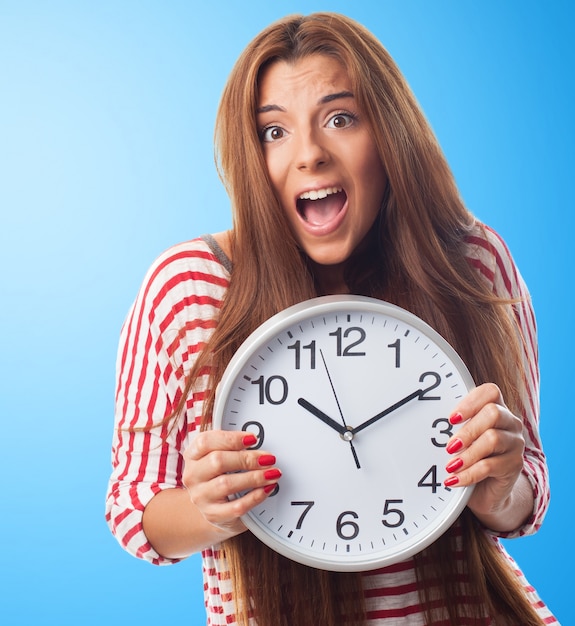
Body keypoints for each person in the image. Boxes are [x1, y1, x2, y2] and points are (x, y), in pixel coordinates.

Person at [105, 12, 557, 626]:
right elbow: (135, 508)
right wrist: (211, 509)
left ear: (389, 133)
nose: (310, 154)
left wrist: (499, 486)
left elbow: (526, 485)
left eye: (340, 119)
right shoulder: (187, 287)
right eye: (274, 132)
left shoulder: (472, 263)